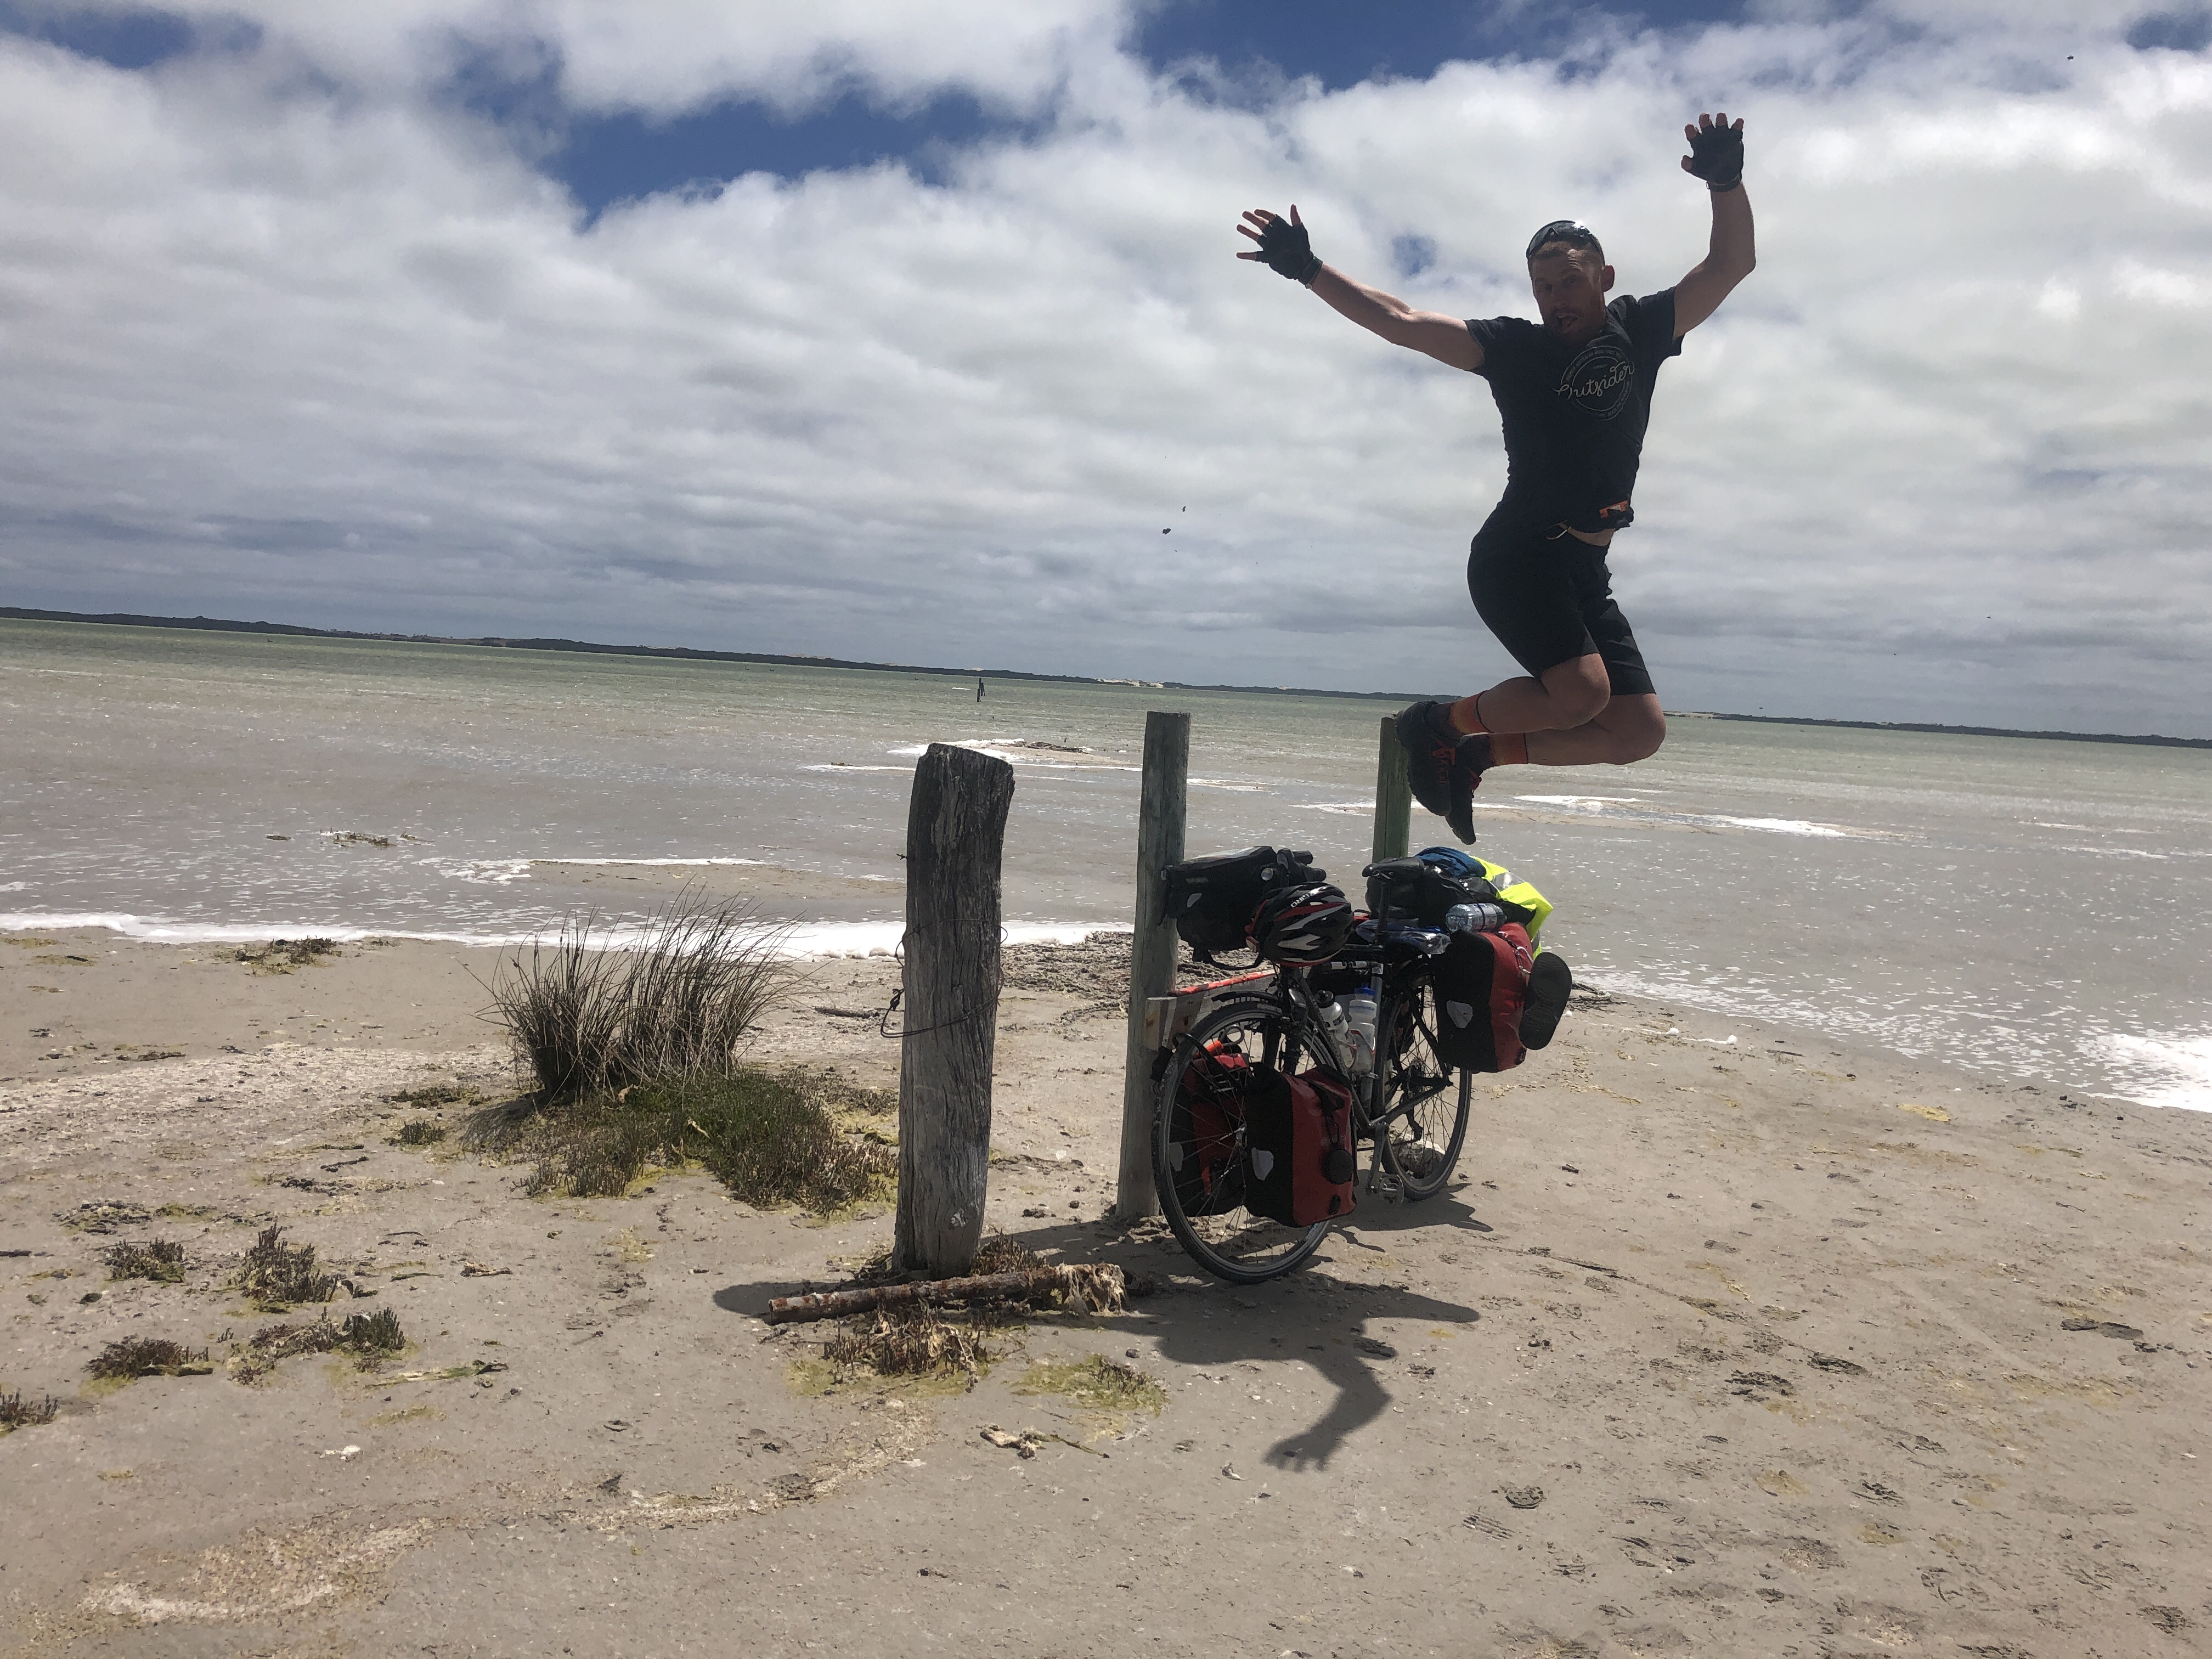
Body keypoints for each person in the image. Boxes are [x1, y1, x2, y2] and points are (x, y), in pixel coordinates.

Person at [1237, 113, 1756, 842]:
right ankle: (1433, 724)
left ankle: (1478, 753)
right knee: (1581, 694)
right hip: (1520, 555)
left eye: (1570, 281)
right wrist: (1310, 270)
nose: (1557, 298)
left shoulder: (1642, 328)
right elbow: (1402, 320)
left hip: (1585, 568)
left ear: (1605, 279)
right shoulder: (1515, 349)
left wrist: (1726, 184)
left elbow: (1730, 265)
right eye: (1543, 287)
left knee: (1637, 731)